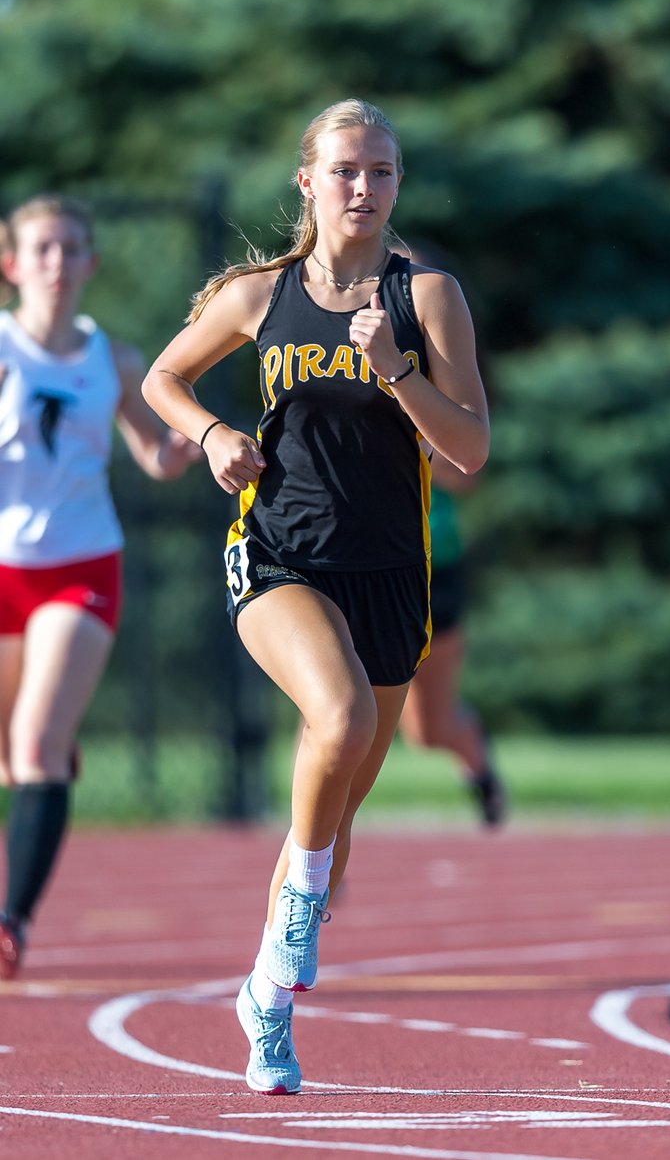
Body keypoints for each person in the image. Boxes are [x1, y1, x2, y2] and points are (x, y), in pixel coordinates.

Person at [141, 99, 489, 1095]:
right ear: (307, 182)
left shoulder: (429, 296)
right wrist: (213, 435)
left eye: (381, 171)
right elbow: (165, 378)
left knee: (332, 819)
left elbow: (469, 451)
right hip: (279, 552)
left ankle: (265, 1001)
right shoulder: (260, 294)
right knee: (335, 718)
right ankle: (296, 914)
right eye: (344, 170)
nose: (363, 188)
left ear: (398, 182)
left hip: (392, 575)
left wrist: (399, 374)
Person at [0, 194, 199, 979]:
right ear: (12, 264)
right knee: (11, 754)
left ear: (91, 261)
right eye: (42, 248)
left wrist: (181, 448)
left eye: (71, 248)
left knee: (35, 742)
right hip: (3, 567)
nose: (57, 262)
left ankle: (12, 921)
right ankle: (48, 751)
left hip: (80, 566)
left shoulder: (114, 360)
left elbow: (153, 454)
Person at [398, 464, 505, 827]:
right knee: (329, 709)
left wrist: (406, 446)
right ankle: (309, 842)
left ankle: (477, 759)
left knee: (427, 732)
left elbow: (467, 473)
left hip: (432, 569)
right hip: (346, 563)